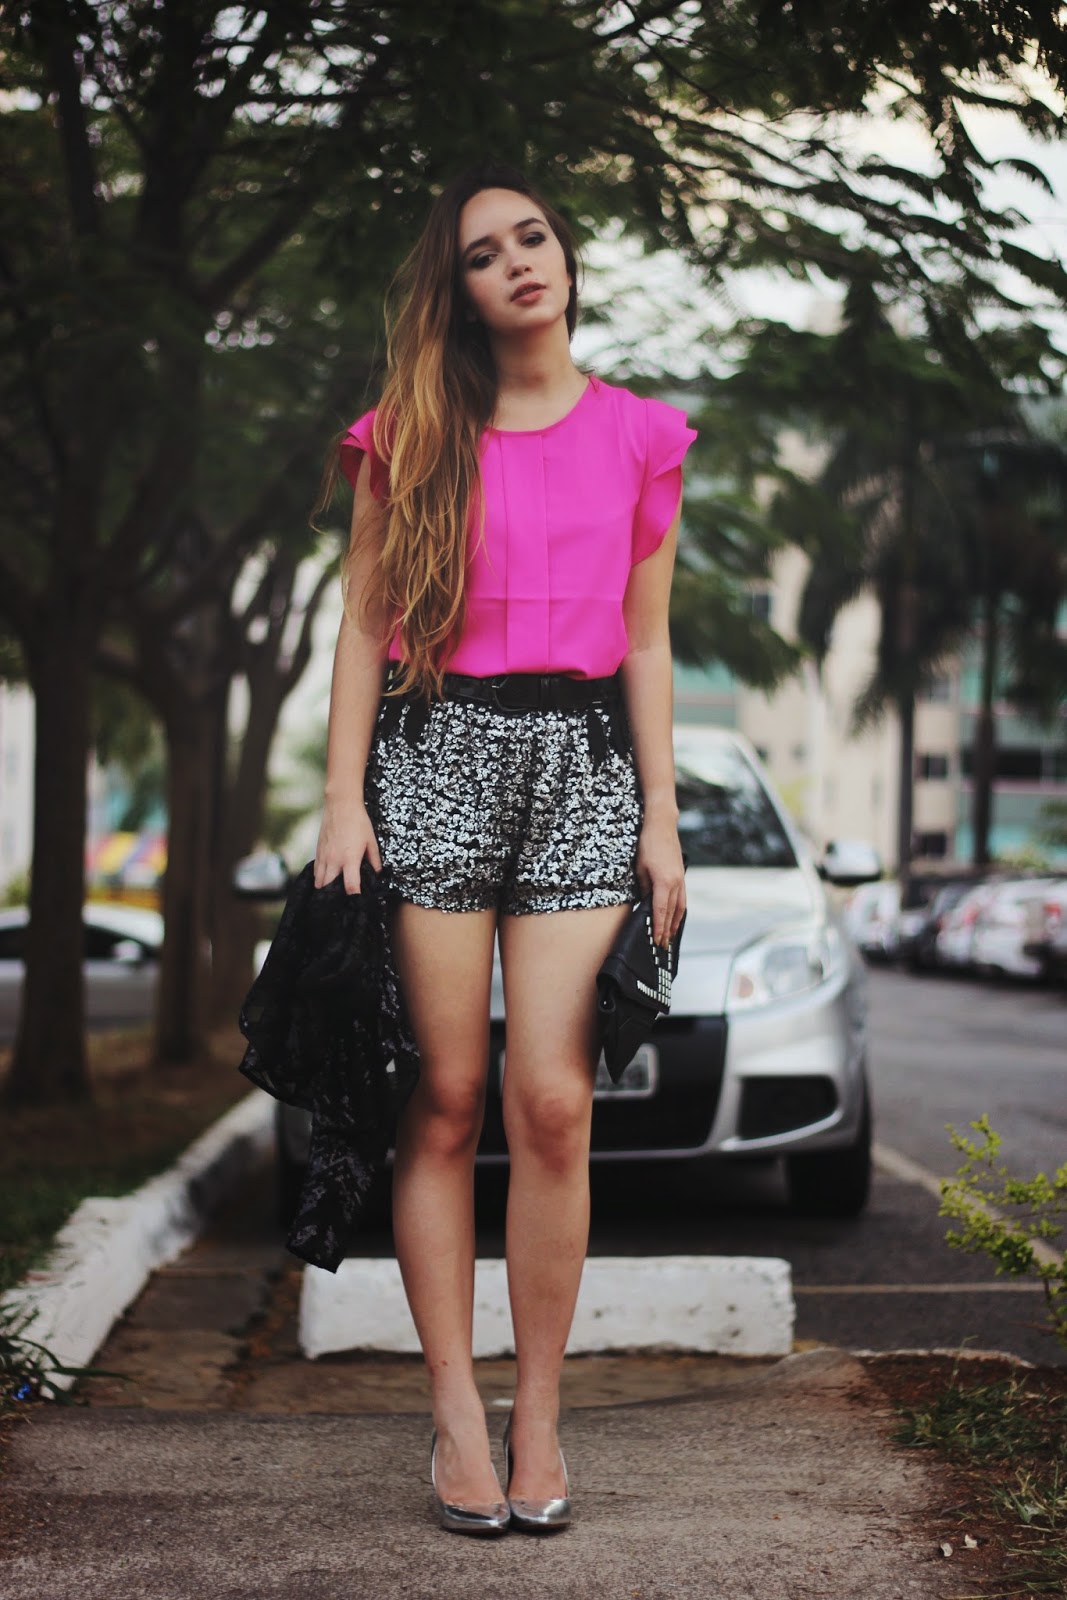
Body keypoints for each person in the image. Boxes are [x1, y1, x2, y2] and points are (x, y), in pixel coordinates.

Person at [313, 162, 695, 1535]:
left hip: (583, 764)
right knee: (448, 1096)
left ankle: (538, 1411)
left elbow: (646, 639)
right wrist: (343, 798)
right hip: (438, 754)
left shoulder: (644, 435)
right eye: (485, 254)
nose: (519, 262)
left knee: (553, 1102)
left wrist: (662, 815)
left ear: (566, 258)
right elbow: (366, 625)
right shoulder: (413, 432)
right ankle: (455, 1417)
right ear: (461, 292)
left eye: (534, 237)